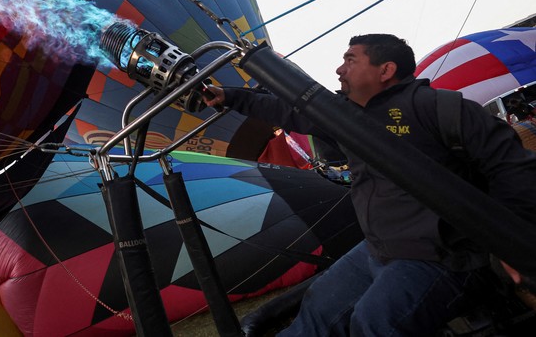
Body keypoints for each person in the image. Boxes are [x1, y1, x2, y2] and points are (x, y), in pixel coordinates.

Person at [203, 34, 536, 336]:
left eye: (350, 60)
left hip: (443, 255)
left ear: (385, 69)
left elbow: (513, 168)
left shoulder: (438, 107)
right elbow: (285, 110)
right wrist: (229, 97)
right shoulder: (346, 118)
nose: (339, 69)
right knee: (317, 311)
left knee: (374, 324)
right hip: (378, 249)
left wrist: (510, 244)